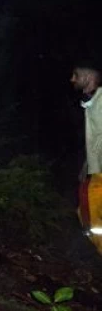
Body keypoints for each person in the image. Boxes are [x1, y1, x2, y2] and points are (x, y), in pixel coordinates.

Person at [71, 62, 102, 254]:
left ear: (89, 78)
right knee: (86, 211)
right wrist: (87, 166)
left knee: (89, 213)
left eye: (76, 75)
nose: (72, 79)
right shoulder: (92, 102)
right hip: (96, 169)